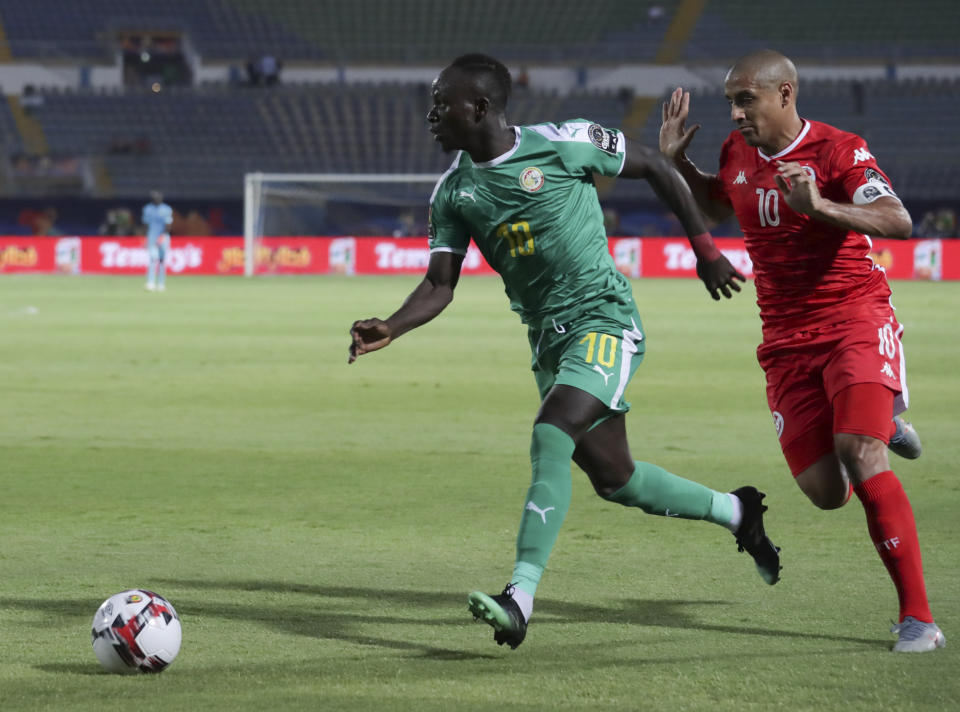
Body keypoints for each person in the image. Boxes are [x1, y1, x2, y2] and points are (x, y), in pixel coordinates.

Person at [349, 53, 781, 650]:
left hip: (603, 320)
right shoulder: (453, 192)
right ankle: (737, 512)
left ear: (478, 107)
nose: (430, 114)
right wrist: (392, 327)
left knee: (551, 431)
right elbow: (439, 283)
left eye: (440, 101)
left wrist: (705, 249)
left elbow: (655, 164)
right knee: (617, 480)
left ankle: (519, 597)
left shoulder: (564, 143)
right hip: (549, 344)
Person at [659, 49, 944, 653]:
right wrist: (678, 164)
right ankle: (879, 416)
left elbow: (897, 220)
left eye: (746, 100)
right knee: (826, 492)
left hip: (854, 319)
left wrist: (821, 208)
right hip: (785, 340)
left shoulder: (839, 149)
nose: (735, 113)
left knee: (859, 451)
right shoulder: (737, 152)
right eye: (730, 101)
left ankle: (919, 619)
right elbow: (720, 201)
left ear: (785, 94)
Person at [142, 191, 173, 291]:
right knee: (152, 260)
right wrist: (146, 237)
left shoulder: (167, 209)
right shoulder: (147, 209)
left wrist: (163, 235)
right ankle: (151, 282)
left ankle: (161, 283)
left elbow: (168, 225)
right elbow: (145, 224)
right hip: (152, 237)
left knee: (162, 260)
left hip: (163, 237)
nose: (157, 199)